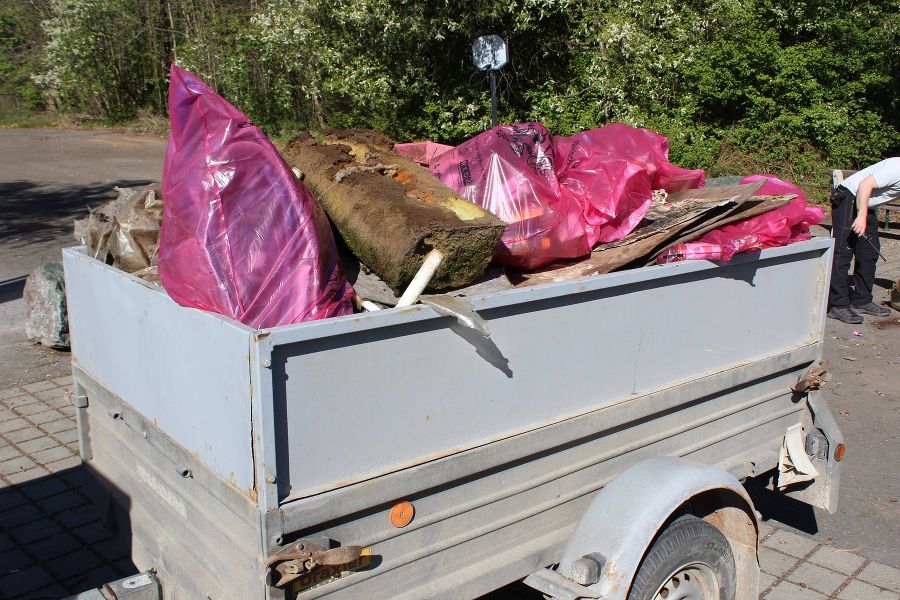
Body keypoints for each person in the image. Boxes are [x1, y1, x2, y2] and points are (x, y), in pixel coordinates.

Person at [828, 157, 900, 324]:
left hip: (864, 203)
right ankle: (837, 305)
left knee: (869, 253)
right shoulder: (898, 168)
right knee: (843, 252)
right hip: (848, 196)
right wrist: (861, 217)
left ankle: (862, 300)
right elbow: (864, 185)